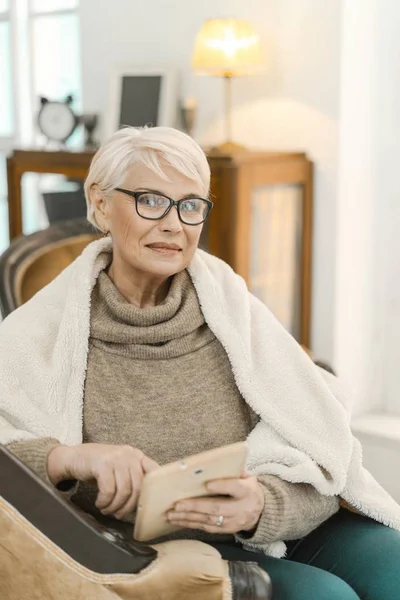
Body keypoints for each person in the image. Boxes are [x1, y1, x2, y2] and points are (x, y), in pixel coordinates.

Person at [1, 126, 399, 599]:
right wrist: (66, 457)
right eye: (150, 199)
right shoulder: (37, 334)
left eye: (190, 205)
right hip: (153, 555)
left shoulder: (235, 313)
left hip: (263, 525)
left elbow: (323, 448)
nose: (174, 224)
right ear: (101, 203)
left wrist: (264, 505)